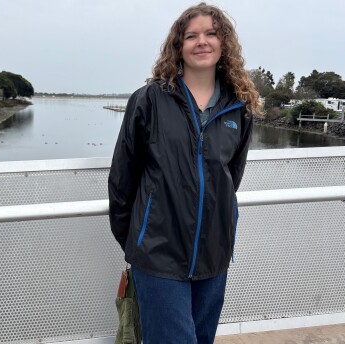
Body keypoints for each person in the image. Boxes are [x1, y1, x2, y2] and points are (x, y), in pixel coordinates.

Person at [108, 3, 262, 343]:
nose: (201, 42)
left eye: (211, 34)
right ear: (178, 46)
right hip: (158, 256)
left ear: (224, 44)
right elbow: (122, 178)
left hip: (214, 255)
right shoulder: (148, 100)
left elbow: (230, 177)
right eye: (191, 36)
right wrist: (137, 241)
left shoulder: (239, 107)